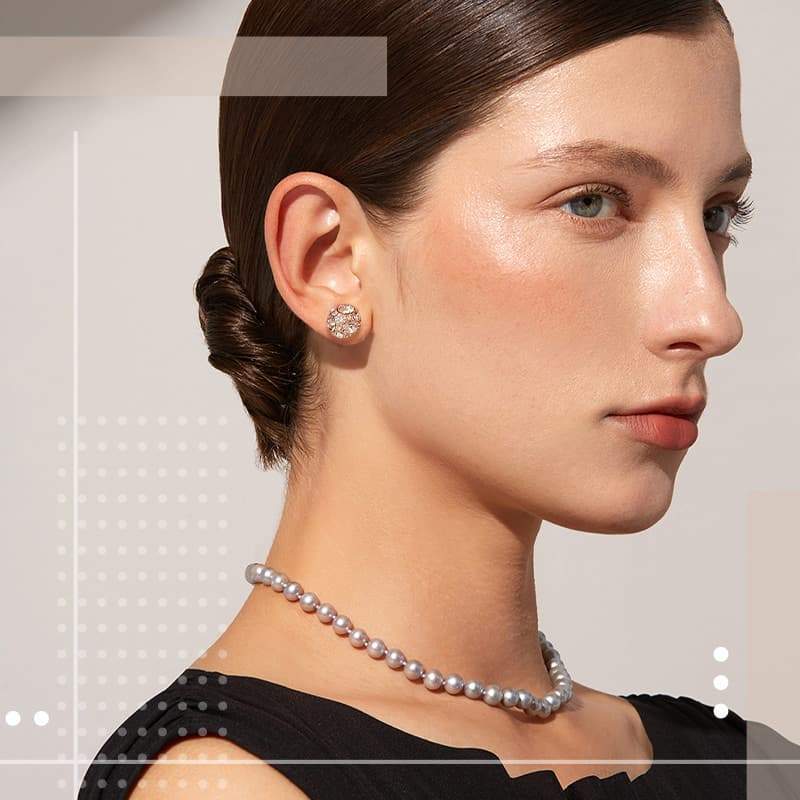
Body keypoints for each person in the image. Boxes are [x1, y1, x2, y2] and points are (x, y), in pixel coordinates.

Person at [78, 0, 800, 797]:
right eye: (591, 202)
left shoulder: (752, 767)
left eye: (716, 214)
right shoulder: (229, 785)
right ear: (329, 259)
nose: (712, 317)